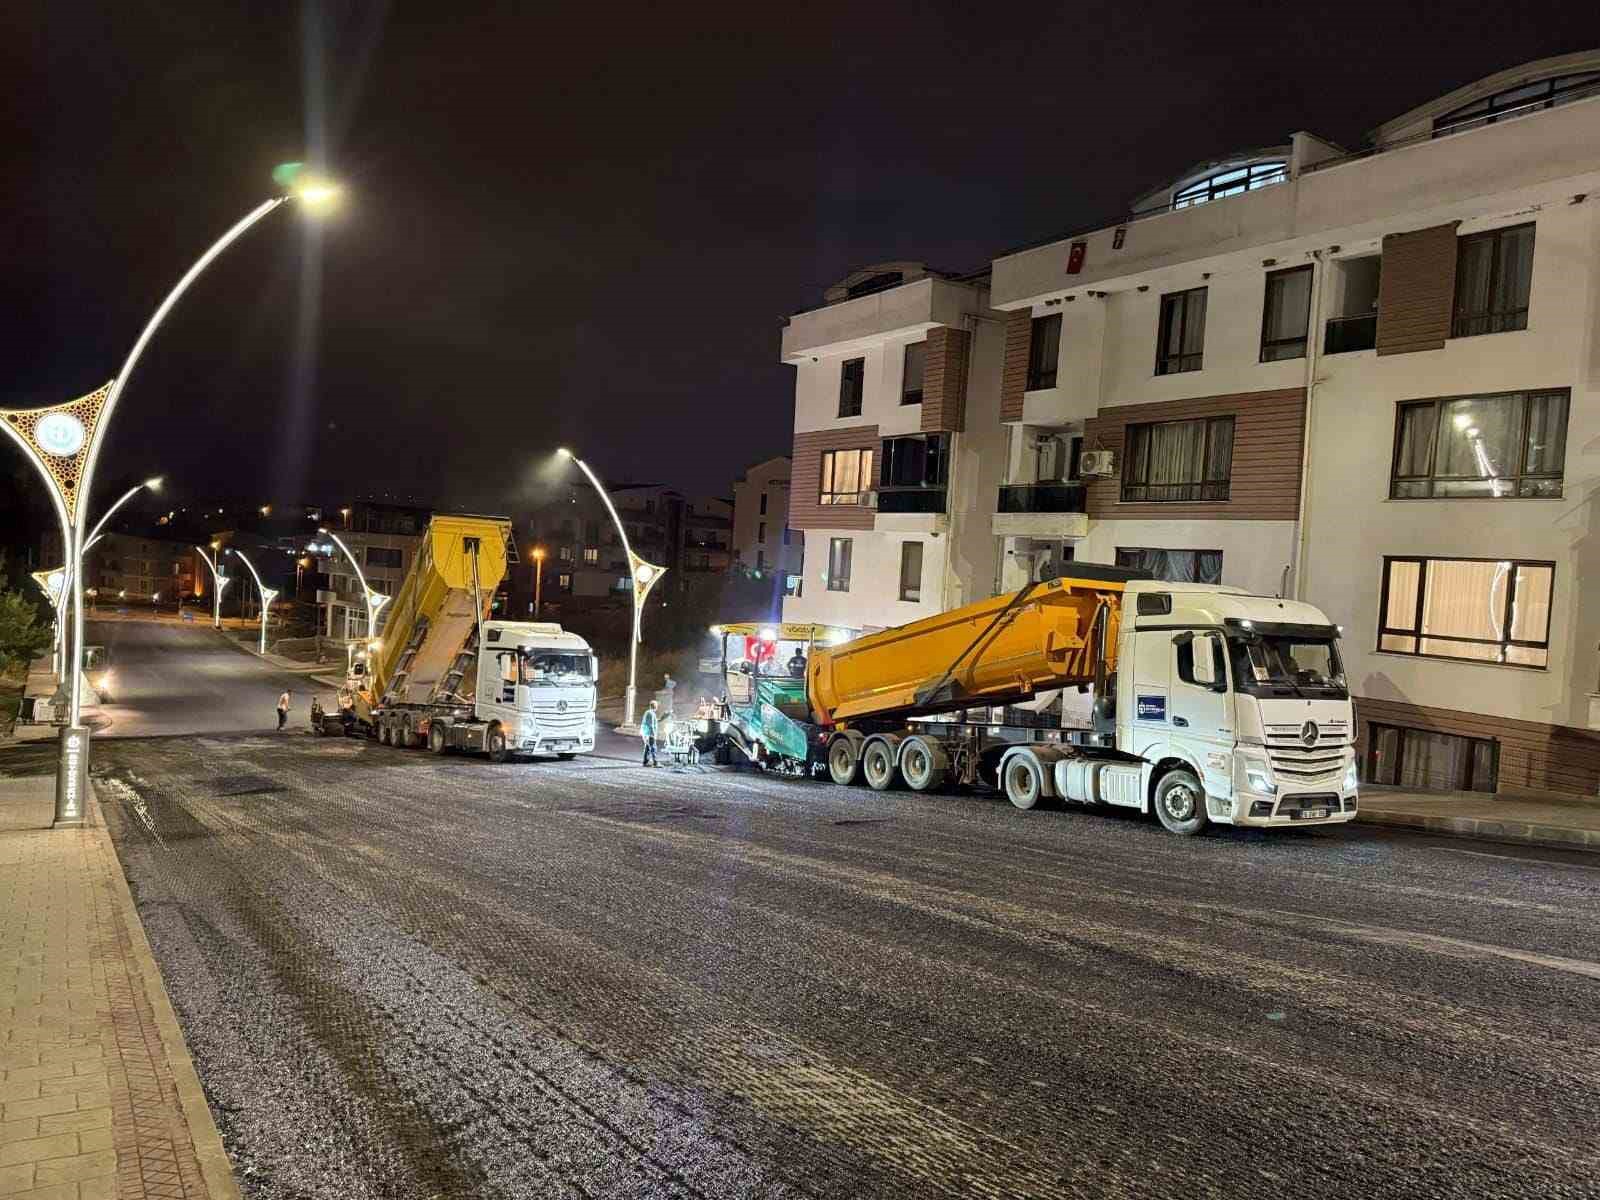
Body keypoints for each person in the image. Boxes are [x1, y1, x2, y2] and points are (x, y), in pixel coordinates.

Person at [640, 699, 660, 767]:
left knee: (648, 748)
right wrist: (653, 734)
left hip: (646, 733)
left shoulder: (648, 712)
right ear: (655, 706)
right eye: (657, 705)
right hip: (649, 733)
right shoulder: (651, 713)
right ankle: (655, 762)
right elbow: (651, 725)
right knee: (653, 747)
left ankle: (645, 762)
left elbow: (653, 722)